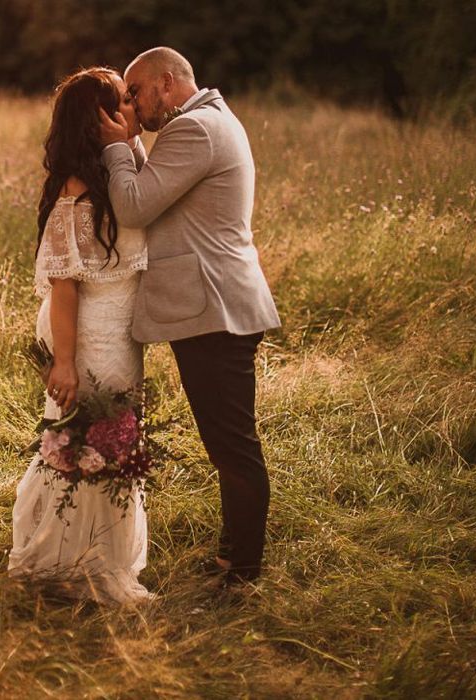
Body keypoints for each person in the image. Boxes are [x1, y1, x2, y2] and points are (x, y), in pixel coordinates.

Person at [98, 47, 281, 587]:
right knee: (228, 444)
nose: (131, 104)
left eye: (135, 93)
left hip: (214, 311)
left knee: (233, 447)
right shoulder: (208, 122)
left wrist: (115, 146)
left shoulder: (193, 130)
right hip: (217, 308)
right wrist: (131, 140)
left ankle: (243, 572)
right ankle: (233, 556)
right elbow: (154, 193)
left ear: (167, 83)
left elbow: (133, 206)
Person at [7, 67, 154, 605]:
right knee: (84, 439)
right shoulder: (77, 189)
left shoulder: (127, 169)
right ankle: (65, 561)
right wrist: (63, 363)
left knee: (114, 439)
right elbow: (66, 288)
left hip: (123, 333)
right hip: (88, 333)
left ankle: (101, 556)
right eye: (122, 100)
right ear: (99, 119)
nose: (133, 105)